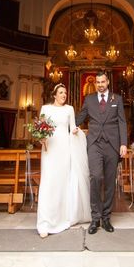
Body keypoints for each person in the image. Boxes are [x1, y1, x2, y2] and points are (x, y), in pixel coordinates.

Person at [76, 70, 127, 234]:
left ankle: (106, 218)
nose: (100, 84)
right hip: (94, 144)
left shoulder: (116, 99)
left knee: (110, 182)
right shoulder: (89, 99)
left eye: (102, 82)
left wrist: (123, 143)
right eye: (97, 82)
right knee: (96, 177)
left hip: (112, 145)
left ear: (107, 82)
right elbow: (81, 116)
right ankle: (95, 218)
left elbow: (122, 122)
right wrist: (67, 124)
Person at [37, 83, 91, 238]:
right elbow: (40, 129)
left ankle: (63, 218)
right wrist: (40, 138)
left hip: (64, 149)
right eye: (61, 92)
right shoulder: (45, 109)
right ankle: (45, 223)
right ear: (54, 95)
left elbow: (73, 127)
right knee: (49, 183)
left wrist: (76, 131)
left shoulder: (70, 109)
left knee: (63, 183)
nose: (64, 95)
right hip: (49, 149)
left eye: (65, 93)